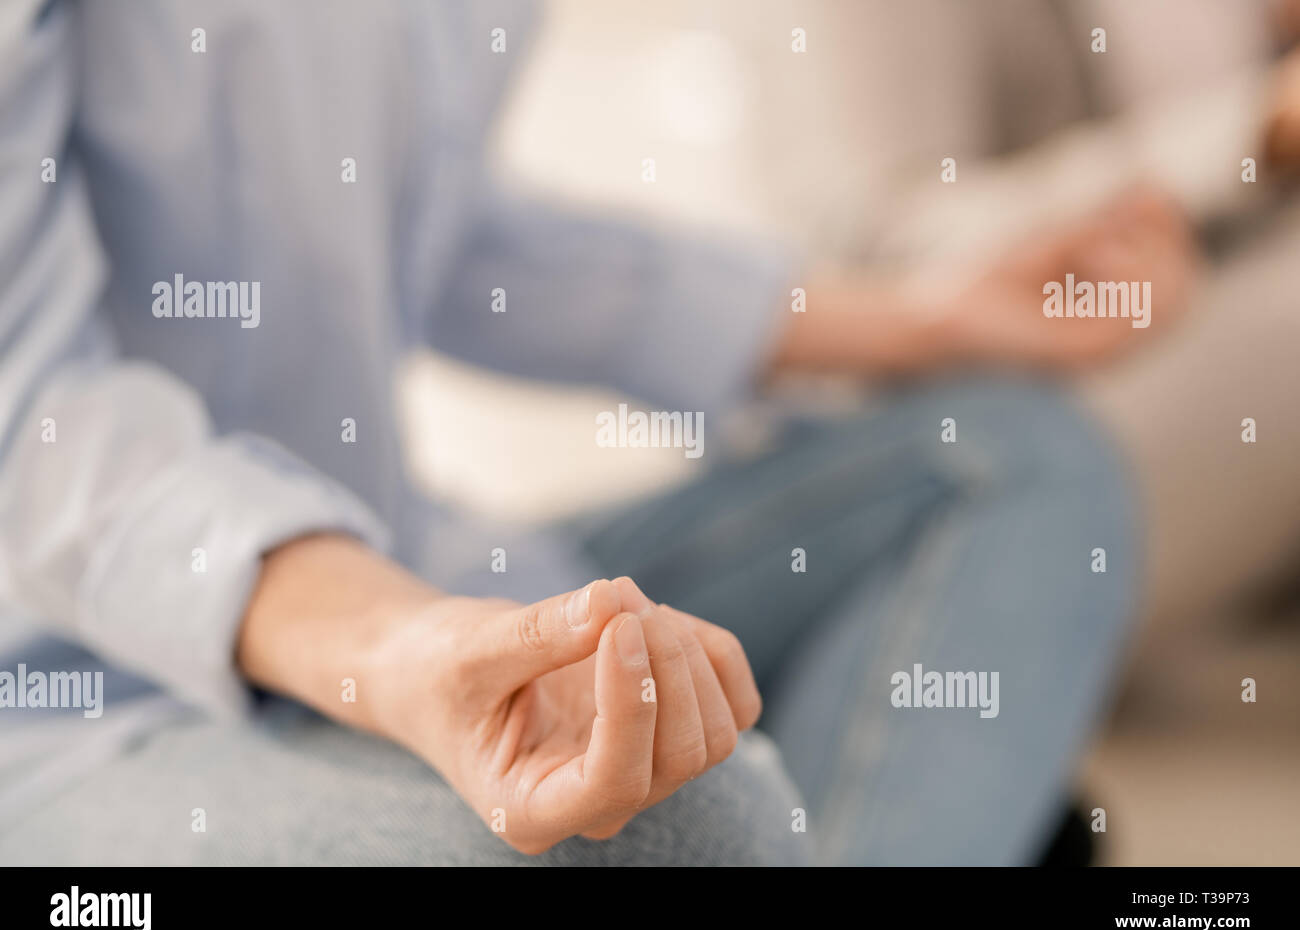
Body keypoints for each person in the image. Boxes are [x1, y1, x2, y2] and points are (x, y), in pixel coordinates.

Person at [0, 0, 1195, 864]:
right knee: (677, 826)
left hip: (409, 564)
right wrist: (398, 647)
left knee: (1017, 463)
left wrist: (918, 317)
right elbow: (32, 424)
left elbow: (445, 234)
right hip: (78, 698)